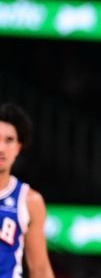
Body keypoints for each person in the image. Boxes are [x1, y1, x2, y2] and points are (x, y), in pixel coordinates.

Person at [0, 103, 55, 278]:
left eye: (9, 140)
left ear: (18, 147)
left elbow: (40, 270)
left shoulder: (29, 201)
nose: (1, 149)